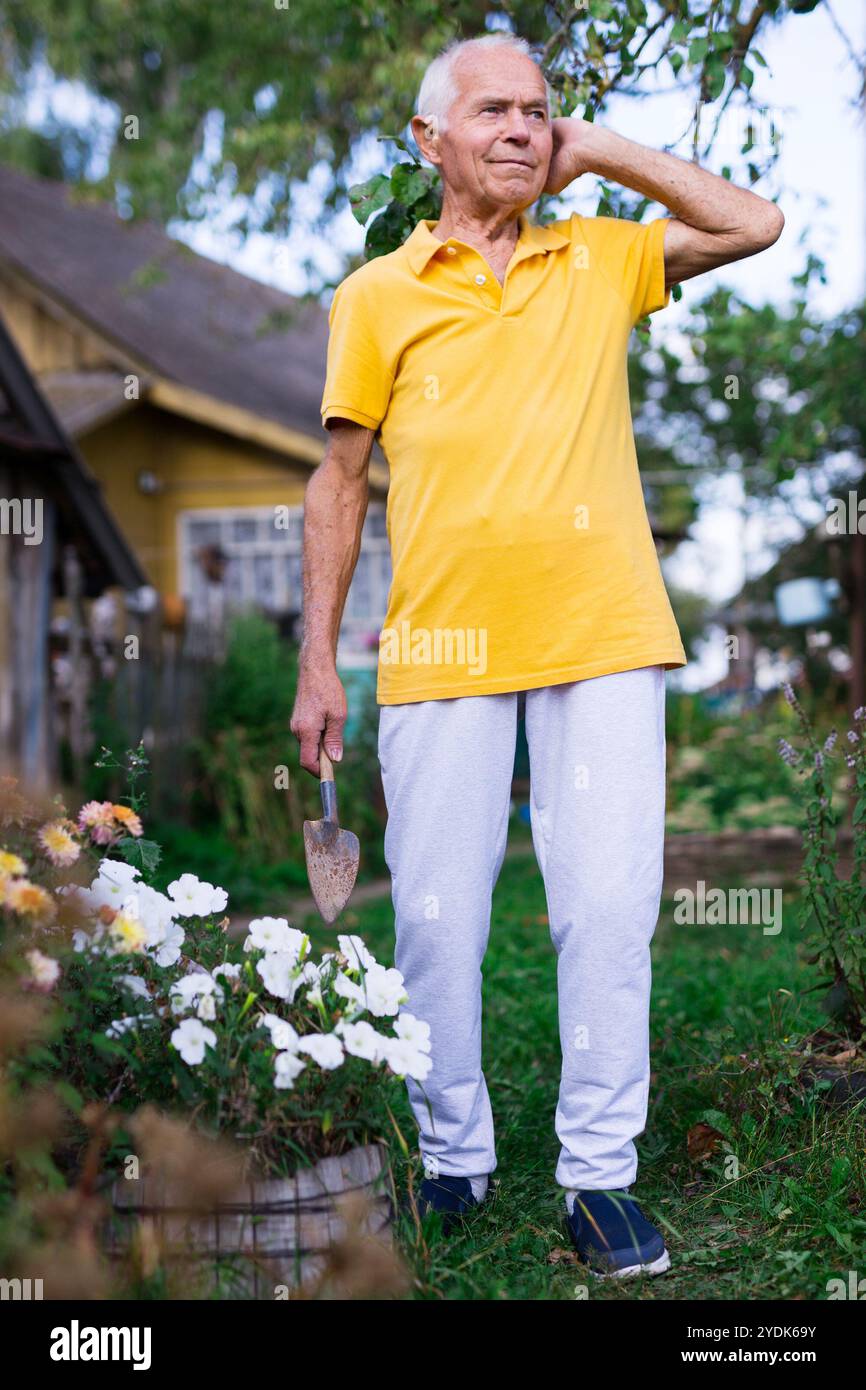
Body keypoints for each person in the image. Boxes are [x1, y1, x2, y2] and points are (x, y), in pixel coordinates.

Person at [290, 32, 783, 1278]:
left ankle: (598, 1178)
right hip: (441, 646)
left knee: (607, 912)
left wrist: (598, 151)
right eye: (492, 110)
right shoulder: (377, 294)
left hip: (602, 631)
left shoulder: (600, 255)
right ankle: (452, 1157)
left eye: (538, 110)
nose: (519, 126)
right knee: (437, 923)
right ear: (428, 141)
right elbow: (335, 484)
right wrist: (315, 661)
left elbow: (755, 221)